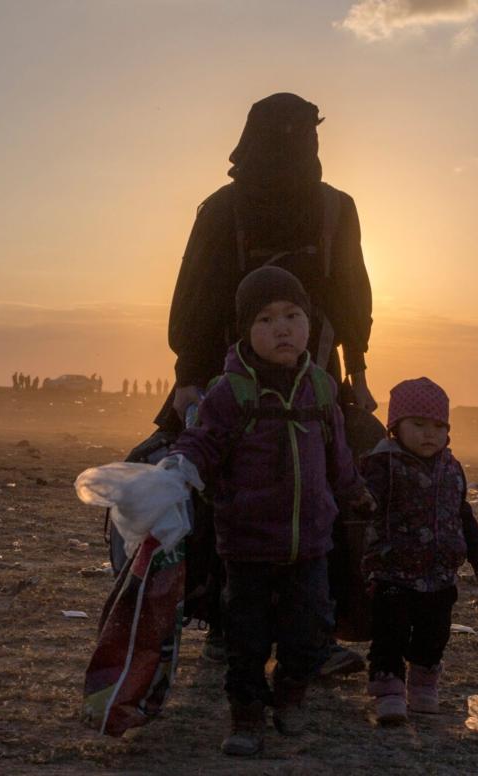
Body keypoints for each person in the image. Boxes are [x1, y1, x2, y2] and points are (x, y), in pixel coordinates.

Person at [160, 93, 379, 676]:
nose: (293, 145)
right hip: (228, 380)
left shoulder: (335, 209)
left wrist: (354, 372)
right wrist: (188, 378)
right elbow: (197, 298)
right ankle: (226, 626)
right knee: (225, 497)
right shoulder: (222, 210)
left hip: (315, 379)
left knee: (321, 494)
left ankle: (315, 630)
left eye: (302, 132)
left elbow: (351, 293)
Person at [169, 267, 374, 757]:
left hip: (311, 544)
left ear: (309, 323)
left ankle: (289, 695)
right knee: (245, 641)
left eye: (292, 315)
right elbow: (203, 441)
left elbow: (339, 457)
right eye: (265, 319)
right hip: (247, 546)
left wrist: (355, 495)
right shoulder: (230, 391)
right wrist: (179, 468)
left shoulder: (322, 388)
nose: (282, 328)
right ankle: (245, 718)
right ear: (246, 331)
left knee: (310, 635)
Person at [361, 378, 478, 725]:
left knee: (434, 633)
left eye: (438, 426)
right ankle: (389, 691)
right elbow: (363, 504)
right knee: (389, 631)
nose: (430, 434)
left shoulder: (451, 467)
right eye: (418, 425)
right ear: (395, 427)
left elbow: (461, 511)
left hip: (440, 573)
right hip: (393, 569)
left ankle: (423, 686)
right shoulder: (382, 465)